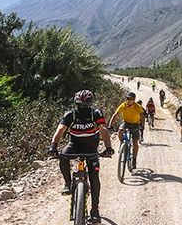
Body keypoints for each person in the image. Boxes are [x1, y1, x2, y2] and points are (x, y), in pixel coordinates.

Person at [49, 89, 114, 224]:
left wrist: (108, 147)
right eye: (81, 106)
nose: (83, 108)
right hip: (75, 145)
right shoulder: (70, 115)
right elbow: (60, 130)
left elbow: (103, 129)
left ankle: (95, 211)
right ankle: (67, 183)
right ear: (76, 104)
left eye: (86, 105)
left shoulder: (96, 113)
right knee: (64, 156)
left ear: (91, 104)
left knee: (94, 179)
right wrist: (53, 147)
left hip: (91, 148)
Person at [109, 92, 147, 169]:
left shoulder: (137, 106)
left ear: (134, 100)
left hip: (135, 124)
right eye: (127, 99)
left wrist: (142, 126)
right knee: (120, 131)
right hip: (126, 122)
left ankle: (134, 160)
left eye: (131, 99)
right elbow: (115, 115)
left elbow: (142, 116)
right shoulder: (123, 105)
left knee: (135, 142)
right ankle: (122, 143)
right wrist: (110, 125)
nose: (128, 100)